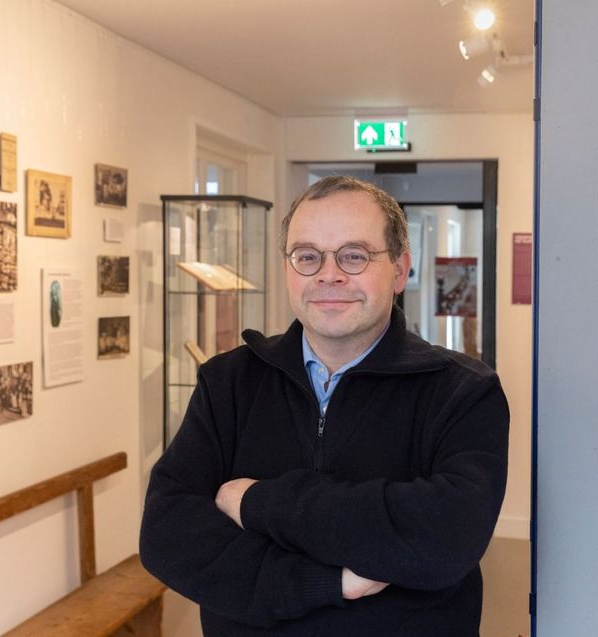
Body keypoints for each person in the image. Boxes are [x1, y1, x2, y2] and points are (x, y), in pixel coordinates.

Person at [140, 176, 510, 636]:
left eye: (354, 255)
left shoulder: (463, 392)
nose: (328, 274)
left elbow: (445, 540)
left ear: (399, 270)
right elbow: (167, 535)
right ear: (287, 269)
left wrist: (256, 502)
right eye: (307, 256)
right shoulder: (228, 381)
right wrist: (326, 581)